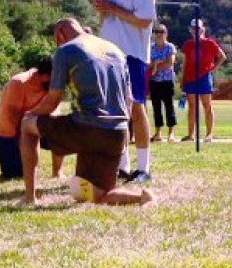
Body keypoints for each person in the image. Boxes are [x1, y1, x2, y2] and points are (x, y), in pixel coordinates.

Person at [18, 18, 154, 206]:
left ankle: (29, 198)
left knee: (27, 126)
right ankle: (142, 197)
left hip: (87, 128)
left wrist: (30, 114)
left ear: (60, 35)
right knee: (101, 195)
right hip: (118, 133)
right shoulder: (116, 51)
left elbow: (52, 101)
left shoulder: (66, 50)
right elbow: (129, 100)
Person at [91, 0, 157, 183]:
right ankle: (123, 166)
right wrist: (103, 9)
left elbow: (144, 20)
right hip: (110, 54)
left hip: (133, 55)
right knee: (116, 110)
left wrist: (113, 8)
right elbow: (112, 16)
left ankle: (144, 169)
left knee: (136, 107)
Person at [0, 57, 64, 179]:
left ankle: (57, 172)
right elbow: (14, 118)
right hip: (9, 133)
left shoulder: (50, 85)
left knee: (59, 132)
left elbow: (54, 109)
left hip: (31, 122)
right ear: (46, 77)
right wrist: (29, 146)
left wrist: (52, 125)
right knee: (15, 174)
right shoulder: (19, 83)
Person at [180, 19, 226, 143]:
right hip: (190, 78)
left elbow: (222, 56)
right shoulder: (188, 45)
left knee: (207, 105)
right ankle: (191, 135)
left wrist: (213, 68)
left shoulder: (210, 43)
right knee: (192, 107)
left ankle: (209, 134)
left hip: (204, 78)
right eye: (193, 28)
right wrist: (182, 79)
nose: (196, 31)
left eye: (198, 28)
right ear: (190, 30)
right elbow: (185, 63)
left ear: (202, 29)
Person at [148, 23, 178, 142]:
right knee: (156, 107)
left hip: (167, 81)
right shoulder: (150, 47)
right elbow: (148, 63)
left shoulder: (170, 47)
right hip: (154, 81)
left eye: (161, 32)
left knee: (169, 106)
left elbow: (169, 63)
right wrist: (156, 63)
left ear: (166, 34)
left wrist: (156, 64)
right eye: (156, 32)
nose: (159, 35)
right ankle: (158, 133)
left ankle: (171, 133)